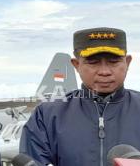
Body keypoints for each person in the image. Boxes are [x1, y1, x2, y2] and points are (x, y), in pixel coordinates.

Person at [20, 27, 140, 166]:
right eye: (93, 62)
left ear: (128, 62)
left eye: (113, 62)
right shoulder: (46, 116)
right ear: (76, 65)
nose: (104, 71)